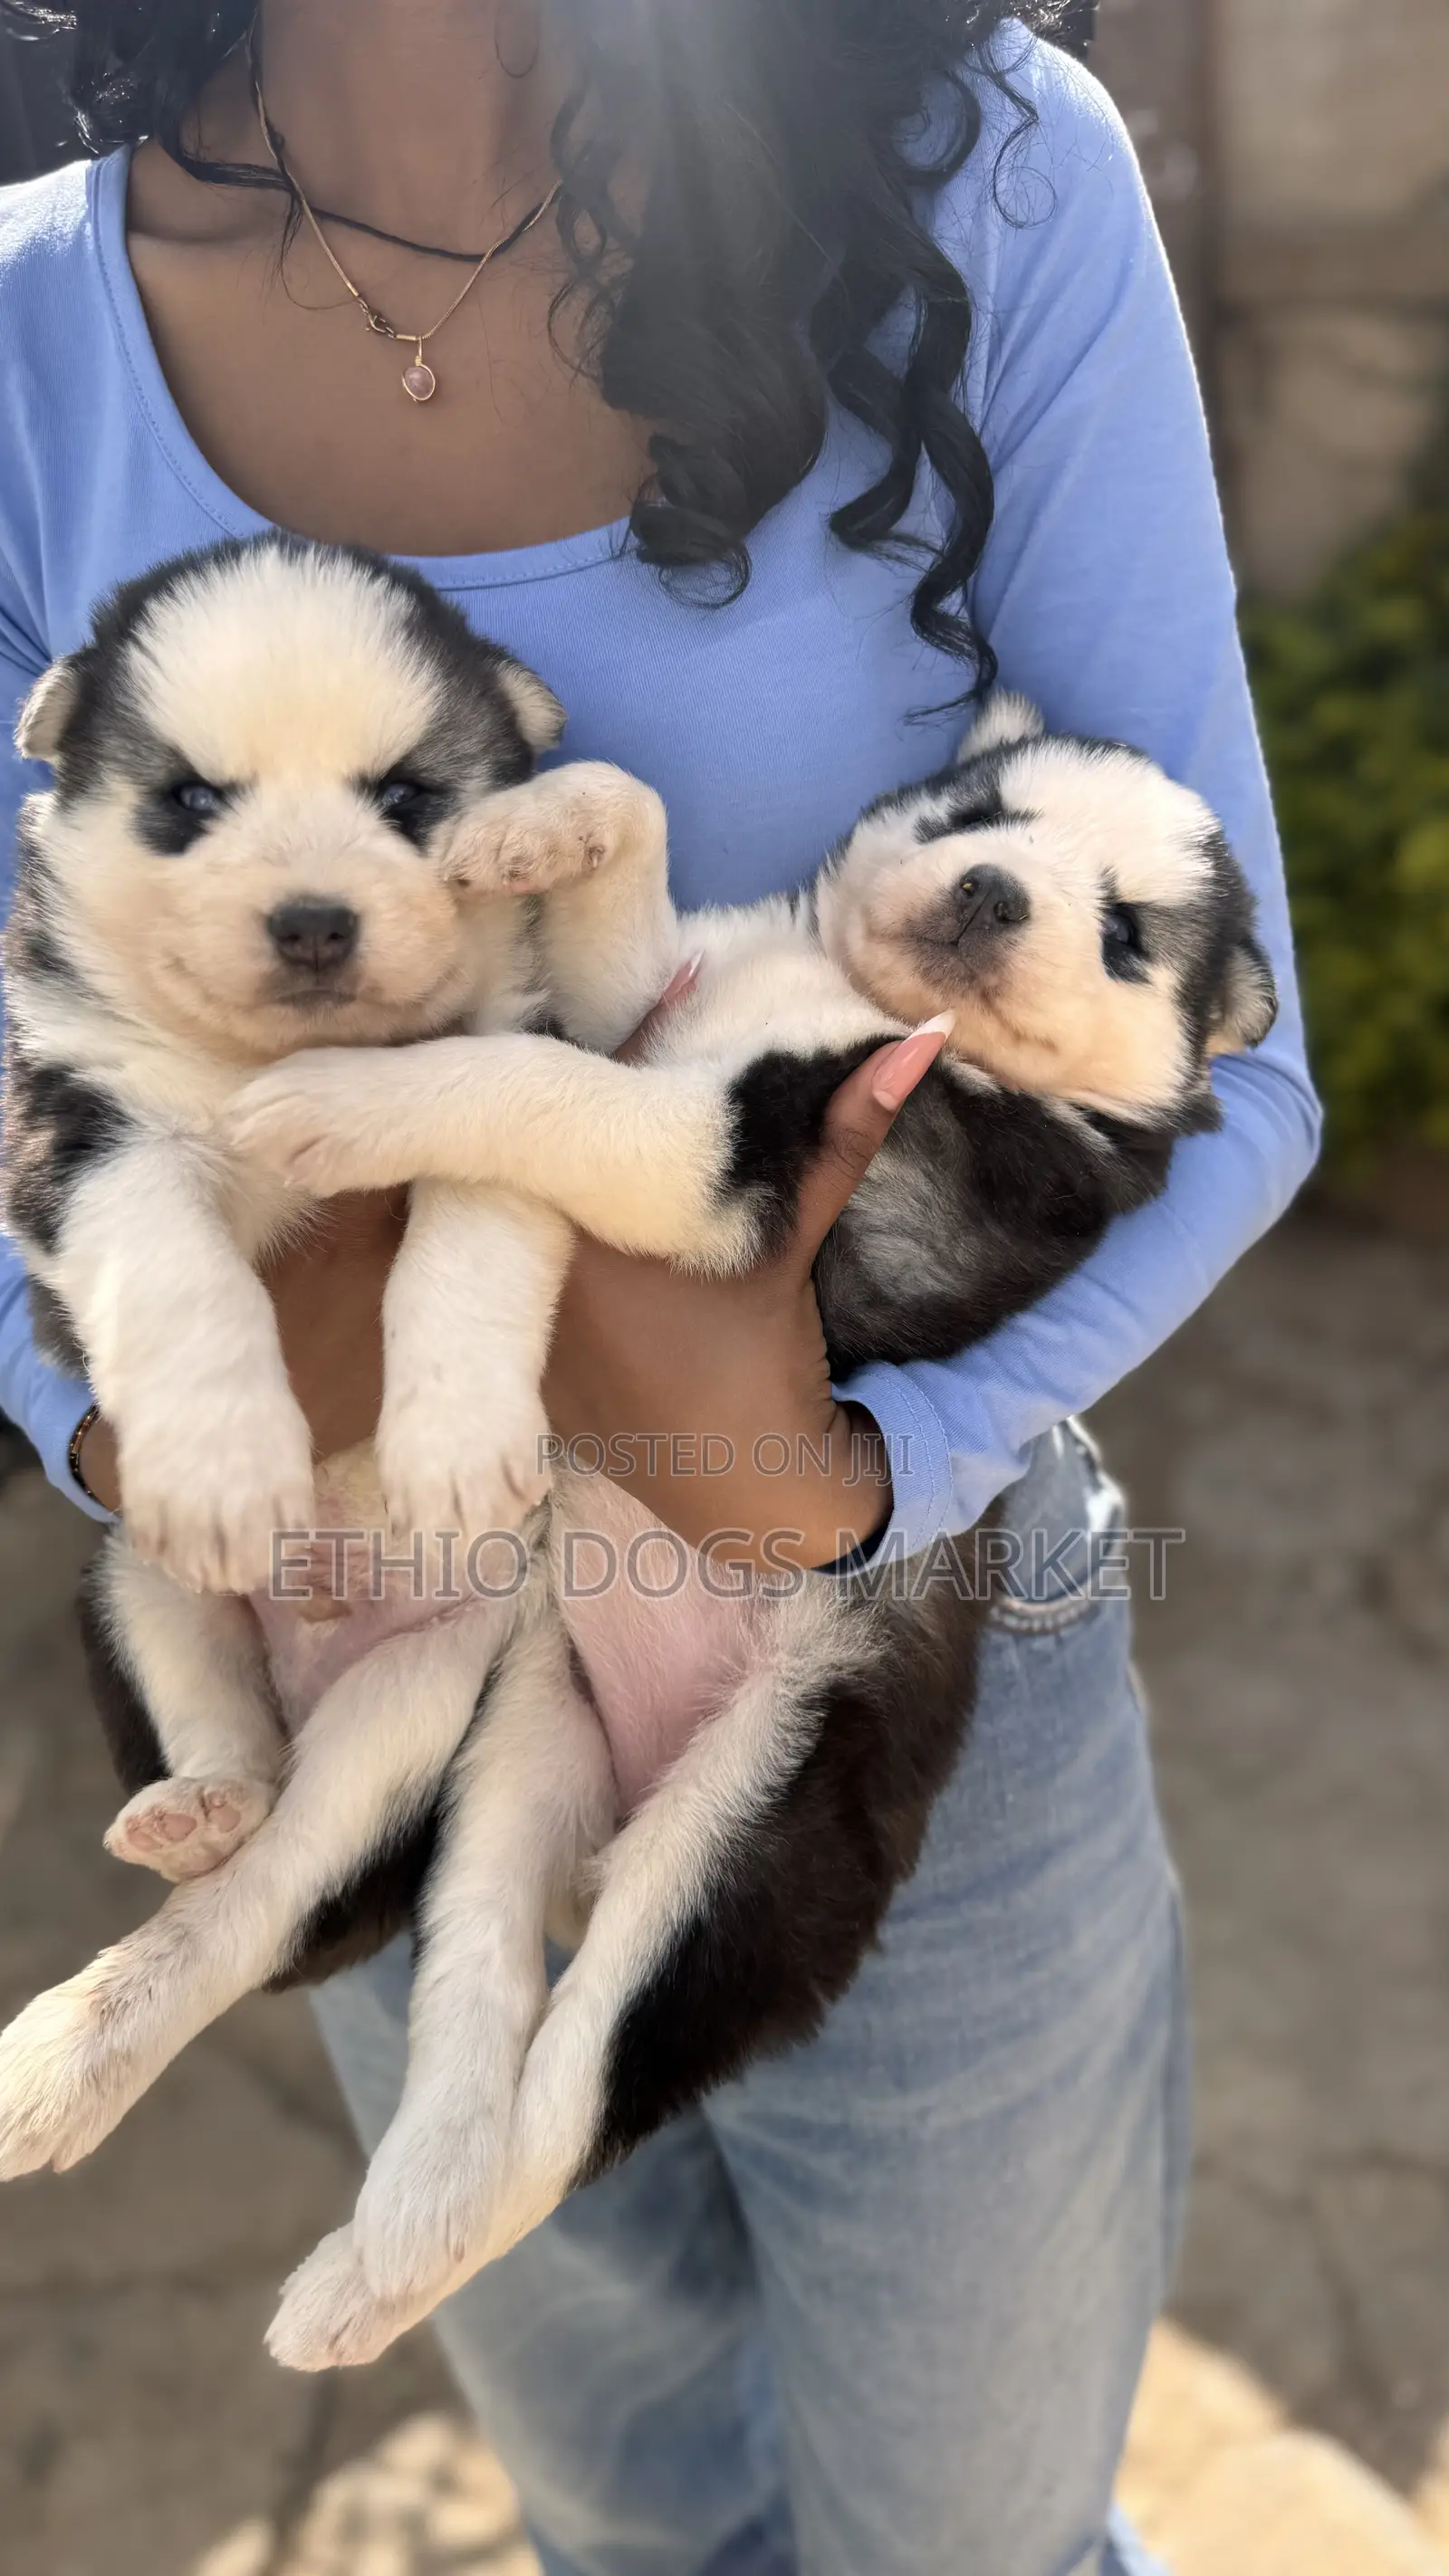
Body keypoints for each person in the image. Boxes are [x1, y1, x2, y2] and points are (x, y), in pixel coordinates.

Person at [0, 5, 1319, 2569]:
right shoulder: (33, 327)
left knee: (979, 2542)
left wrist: (845, 1470)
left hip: (905, 1636)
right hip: (386, 1597)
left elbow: (1234, 1066)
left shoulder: (982, 169)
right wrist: (127, 1430)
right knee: (626, 2520)